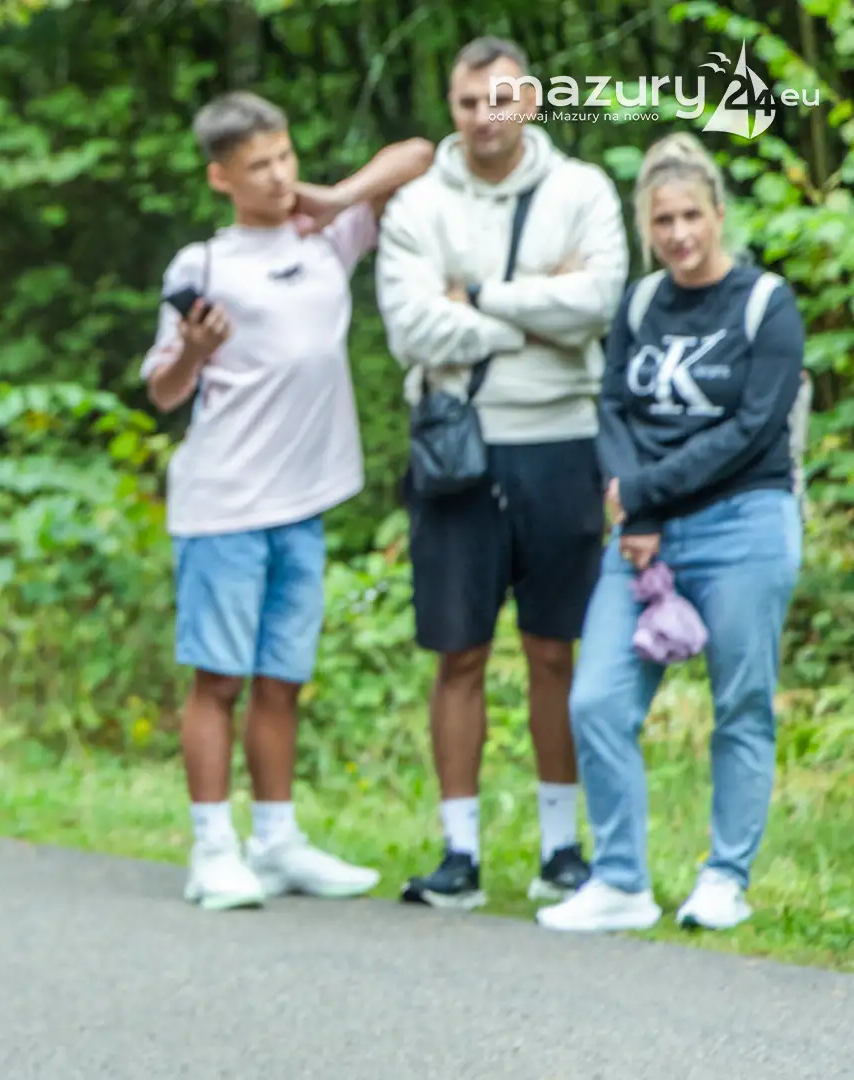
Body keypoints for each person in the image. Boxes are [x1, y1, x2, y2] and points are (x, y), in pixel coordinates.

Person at [142, 90, 433, 909]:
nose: (277, 176)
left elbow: (420, 154)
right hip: (225, 503)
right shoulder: (202, 265)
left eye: (284, 157)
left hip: (304, 501)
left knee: (281, 679)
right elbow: (163, 390)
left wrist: (337, 196)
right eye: (258, 166)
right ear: (221, 177)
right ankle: (213, 849)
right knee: (220, 678)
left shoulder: (328, 235)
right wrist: (193, 352)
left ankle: (276, 842)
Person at [374, 36, 631, 909]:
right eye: (467, 101)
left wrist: (478, 296)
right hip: (458, 449)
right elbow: (411, 328)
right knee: (459, 654)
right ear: (450, 106)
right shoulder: (416, 205)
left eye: (501, 99)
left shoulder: (582, 190)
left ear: (530, 101)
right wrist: (538, 313)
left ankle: (562, 850)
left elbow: (597, 302)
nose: (485, 118)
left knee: (555, 650)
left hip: (563, 441)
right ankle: (460, 854)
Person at [537, 133, 805, 935]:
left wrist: (642, 493)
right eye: (663, 221)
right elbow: (615, 408)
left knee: (741, 704)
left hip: (744, 525)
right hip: (645, 539)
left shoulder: (766, 305)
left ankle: (725, 878)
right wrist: (641, 513)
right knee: (596, 700)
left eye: (692, 216)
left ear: (718, 213)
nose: (680, 234)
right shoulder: (640, 303)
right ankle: (620, 879)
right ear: (645, 227)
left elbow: (754, 430)